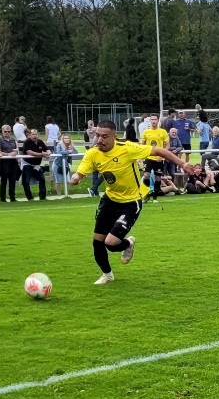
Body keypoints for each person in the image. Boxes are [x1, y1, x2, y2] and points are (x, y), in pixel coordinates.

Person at [70, 120, 199, 285]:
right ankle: (107, 275)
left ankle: (128, 244)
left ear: (114, 136)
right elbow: (80, 172)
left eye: (104, 136)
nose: (100, 140)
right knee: (98, 242)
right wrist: (76, 177)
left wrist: (183, 163)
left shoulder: (127, 148)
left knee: (111, 243)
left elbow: (159, 150)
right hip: (109, 200)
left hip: (130, 202)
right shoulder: (93, 153)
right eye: (98, 136)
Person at [19, 128, 50, 200]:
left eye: (36, 134)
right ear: (29, 135)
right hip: (27, 164)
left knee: (42, 179)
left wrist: (48, 152)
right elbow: (29, 152)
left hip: (36, 165)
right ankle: (29, 197)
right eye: (33, 134)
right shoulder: (27, 142)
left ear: (38, 135)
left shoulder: (40, 142)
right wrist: (41, 154)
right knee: (26, 181)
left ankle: (42, 197)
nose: (34, 136)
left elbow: (47, 149)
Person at [0, 124, 21, 202]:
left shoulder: (13, 140)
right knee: (4, 180)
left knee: (13, 180)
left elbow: (15, 150)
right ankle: (3, 198)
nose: (7, 133)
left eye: (9, 131)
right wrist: (8, 154)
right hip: (4, 162)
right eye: (5, 131)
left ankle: (12, 197)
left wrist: (14, 153)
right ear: (2, 131)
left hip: (13, 162)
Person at [140, 114, 170, 187]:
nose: (154, 121)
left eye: (155, 119)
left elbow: (167, 145)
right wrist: (140, 157)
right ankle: (146, 191)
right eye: (152, 119)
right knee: (146, 175)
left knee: (158, 177)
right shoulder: (146, 132)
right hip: (148, 157)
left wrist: (162, 155)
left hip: (158, 158)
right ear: (150, 120)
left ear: (158, 120)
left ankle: (156, 192)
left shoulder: (163, 132)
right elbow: (142, 145)